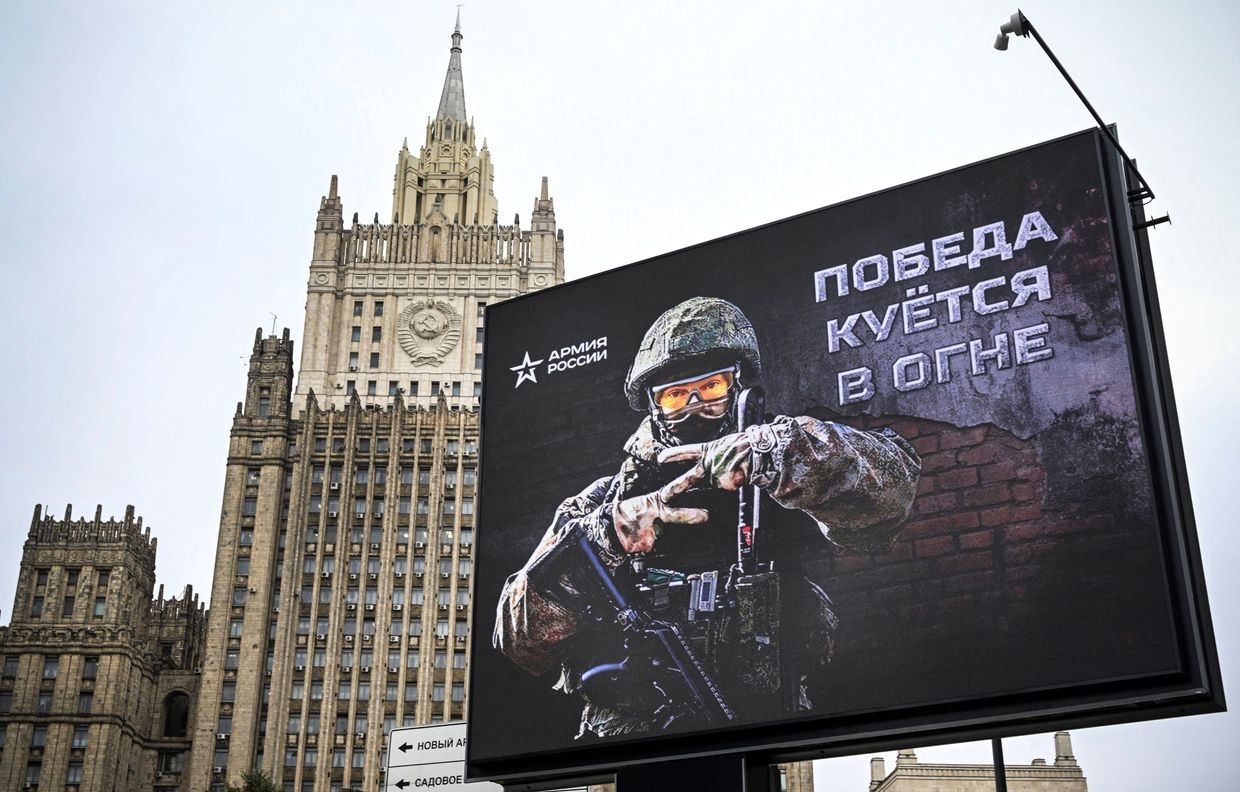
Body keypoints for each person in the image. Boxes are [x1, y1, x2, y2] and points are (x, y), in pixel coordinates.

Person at [493, 296, 921, 738]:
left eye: (712, 388)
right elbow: (516, 638)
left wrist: (783, 455)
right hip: (633, 740)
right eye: (676, 395)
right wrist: (605, 536)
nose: (695, 405)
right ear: (654, 406)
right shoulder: (603, 502)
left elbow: (892, 498)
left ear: (737, 387)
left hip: (765, 729)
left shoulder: (782, 466)